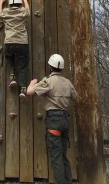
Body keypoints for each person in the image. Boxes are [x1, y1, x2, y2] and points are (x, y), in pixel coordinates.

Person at [27, 54, 77, 184]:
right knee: (63, 155)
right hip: (65, 120)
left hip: (54, 121)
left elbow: (29, 92)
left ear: (50, 66)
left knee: (56, 157)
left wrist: (33, 82)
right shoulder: (68, 82)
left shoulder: (48, 81)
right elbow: (75, 97)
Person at [0, 0, 30, 101]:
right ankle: (23, 89)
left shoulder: (6, 12)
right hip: (22, 43)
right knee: (23, 65)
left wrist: (1, 1)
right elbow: (28, 11)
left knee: (8, 57)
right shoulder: (22, 12)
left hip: (9, 43)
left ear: (10, 4)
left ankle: (12, 77)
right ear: (20, 4)